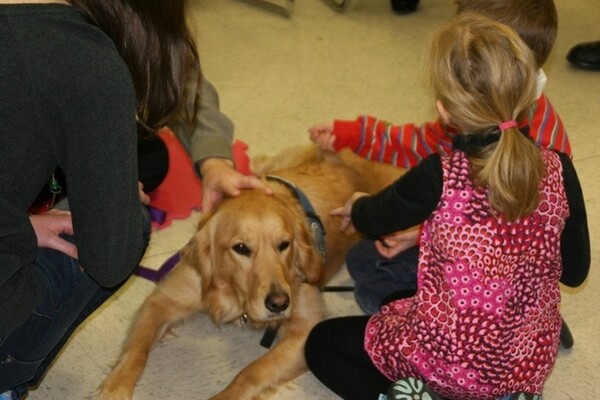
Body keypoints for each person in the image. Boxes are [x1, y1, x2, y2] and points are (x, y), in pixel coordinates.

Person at [305, 13, 590, 400]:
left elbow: (373, 219)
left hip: (450, 363)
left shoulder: (439, 173)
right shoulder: (560, 166)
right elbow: (574, 272)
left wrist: (357, 206)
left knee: (324, 342)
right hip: (525, 363)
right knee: (392, 295)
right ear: (529, 94)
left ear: (444, 111)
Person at [0, 0, 206, 398]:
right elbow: (109, 260)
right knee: (129, 226)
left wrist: (16, 222)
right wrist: (118, 197)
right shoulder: (87, 60)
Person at [309, 0, 570, 314]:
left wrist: (424, 235)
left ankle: (426, 325)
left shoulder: (548, 149)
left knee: (370, 290)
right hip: (463, 252)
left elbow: (524, 241)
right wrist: (357, 135)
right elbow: (419, 141)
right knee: (361, 257)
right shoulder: (475, 110)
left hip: (496, 285)